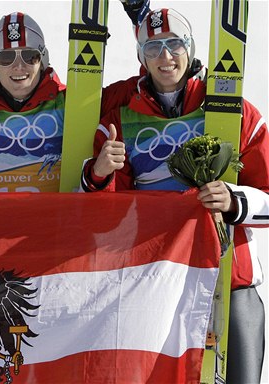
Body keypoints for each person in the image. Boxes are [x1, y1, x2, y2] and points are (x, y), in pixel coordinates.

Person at [79, 8, 267, 382]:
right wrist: (99, 174)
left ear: (190, 47)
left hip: (230, 281)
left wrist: (234, 201)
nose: (165, 58)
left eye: (174, 44)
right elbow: (101, 218)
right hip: (157, 282)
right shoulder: (120, 118)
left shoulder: (232, 111)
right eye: (152, 48)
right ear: (140, 57)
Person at [0, 11, 140, 193]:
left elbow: (153, 83)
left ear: (43, 60)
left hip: (54, 227)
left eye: (30, 56)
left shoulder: (71, 103)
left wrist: (141, 23)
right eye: (7, 57)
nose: (19, 66)